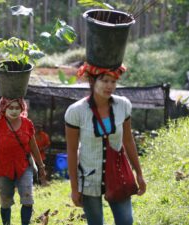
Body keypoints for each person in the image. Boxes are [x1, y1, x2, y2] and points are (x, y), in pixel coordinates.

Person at [64, 64, 147, 225]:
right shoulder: (76, 111)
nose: (110, 86)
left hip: (117, 173)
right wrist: (75, 188)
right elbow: (72, 151)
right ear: (92, 81)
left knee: (126, 221)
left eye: (113, 81)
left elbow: (128, 140)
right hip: (89, 177)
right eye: (104, 81)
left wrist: (139, 173)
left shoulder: (123, 105)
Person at [0, 97, 46, 225]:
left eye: (17, 108)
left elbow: (34, 147)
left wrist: (41, 167)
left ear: (22, 109)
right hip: (3, 168)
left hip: (24, 166)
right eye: (10, 107)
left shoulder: (27, 124)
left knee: (27, 198)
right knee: (6, 201)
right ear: (4, 108)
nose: (14, 111)